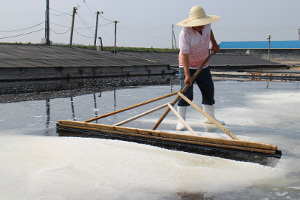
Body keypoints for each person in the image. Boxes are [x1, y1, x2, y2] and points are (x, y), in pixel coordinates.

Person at [176, 5, 224, 131]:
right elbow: (185, 55)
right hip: (187, 65)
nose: (203, 25)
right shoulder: (185, 34)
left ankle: (210, 118)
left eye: (204, 23)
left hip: (203, 64)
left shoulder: (206, 25)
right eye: (200, 24)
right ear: (193, 24)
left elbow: (210, 32)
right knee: (186, 92)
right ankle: (181, 121)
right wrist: (187, 75)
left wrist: (214, 43)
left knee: (208, 90)